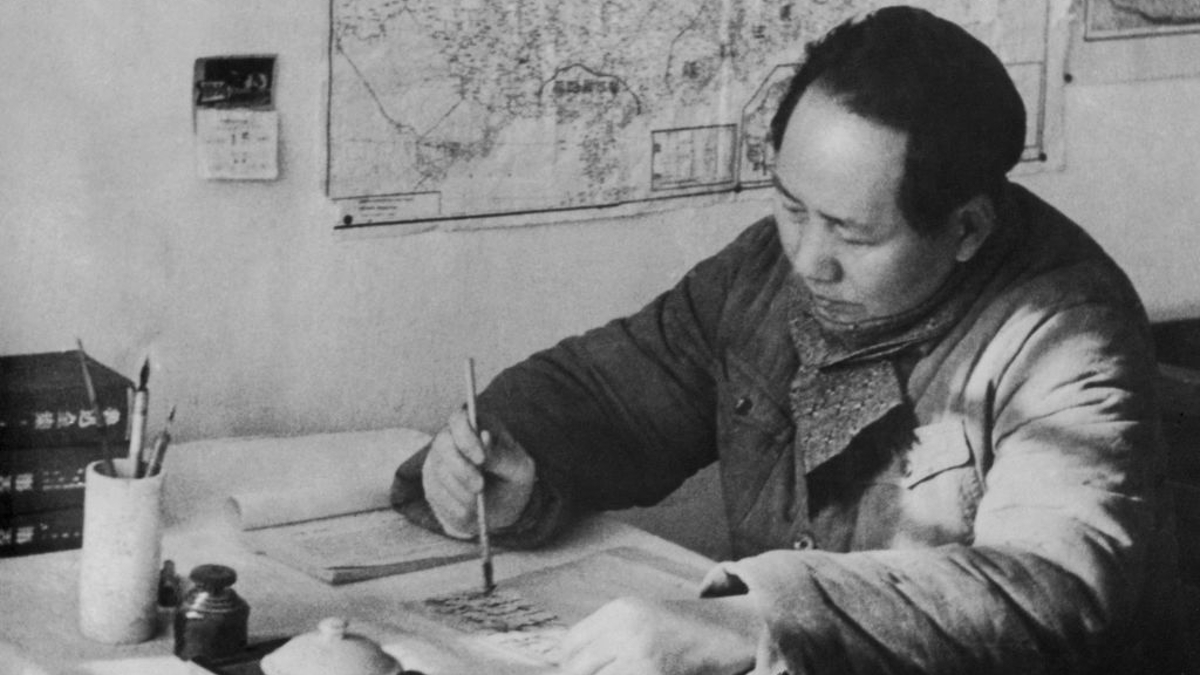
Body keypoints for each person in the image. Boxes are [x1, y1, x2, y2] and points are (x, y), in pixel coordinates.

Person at [392, 6, 1183, 674]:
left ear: (966, 227)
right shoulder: (766, 271)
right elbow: (614, 394)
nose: (807, 259)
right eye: (791, 206)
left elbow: (1049, 585)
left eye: (850, 233)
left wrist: (764, 616)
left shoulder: (1064, 331)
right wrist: (506, 463)